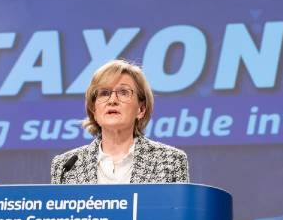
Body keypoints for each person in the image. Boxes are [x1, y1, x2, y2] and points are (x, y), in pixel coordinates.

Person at [50, 59, 189, 184]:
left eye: (123, 92)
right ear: (94, 110)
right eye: (104, 93)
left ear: (141, 109)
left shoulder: (171, 161)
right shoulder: (65, 167)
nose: (112, 100)